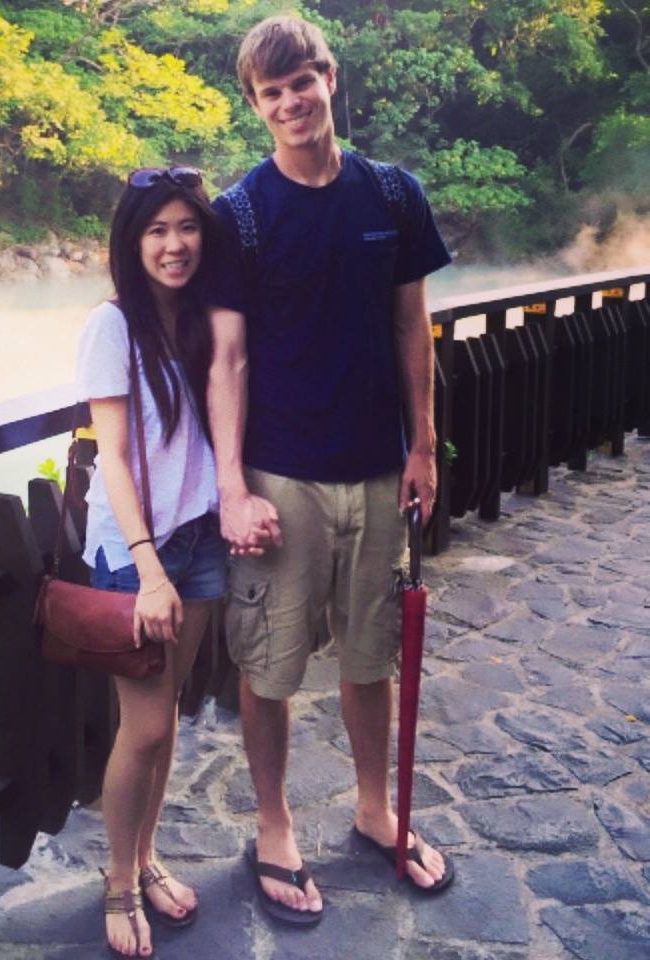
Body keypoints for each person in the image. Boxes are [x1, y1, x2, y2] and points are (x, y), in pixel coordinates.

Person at [206, 14, 455, 925]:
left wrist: (422, 446)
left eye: (300, 82)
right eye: (270, 93)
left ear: (329, 77)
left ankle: (374, 807)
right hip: (281, 475)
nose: (289, 103)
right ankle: (273, 826)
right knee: (270, 664)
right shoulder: (241, 214)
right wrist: (232, 487)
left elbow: (408, 327)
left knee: (368, 654)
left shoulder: (392, 197)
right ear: (257, 105)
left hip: (378, 469)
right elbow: (226, 360)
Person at [75, 166, 229, 957]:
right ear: (131, 243)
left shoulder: (200, 318)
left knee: (165, 721)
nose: (174, 245)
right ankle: (116, 880)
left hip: (199, 538)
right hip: (143, 553)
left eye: (187, 227)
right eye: (156, 230)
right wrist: (149, 567)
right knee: (141, 728)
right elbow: (114, 457)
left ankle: (145, 856)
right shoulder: (113, 326)